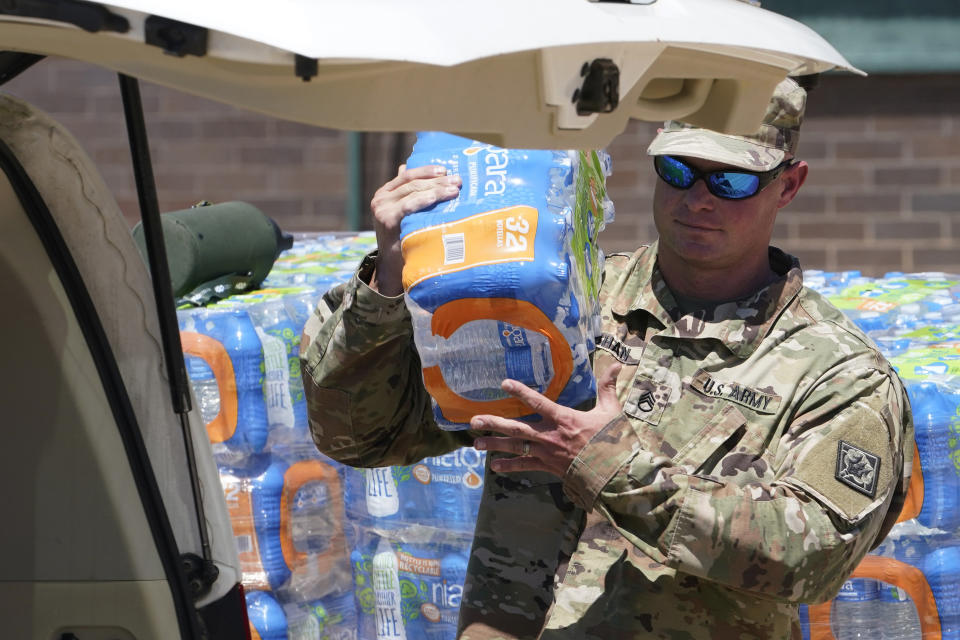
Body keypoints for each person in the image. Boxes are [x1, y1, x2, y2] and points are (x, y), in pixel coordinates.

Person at [300, 78, 913, 639]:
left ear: (790, 185)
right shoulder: (570, 301)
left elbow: (814, 559)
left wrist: (609, 464)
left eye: (731, 181)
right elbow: (363, 437)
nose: (699, 199)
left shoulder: (838, 373)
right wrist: (387, 277)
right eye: (678, 170)